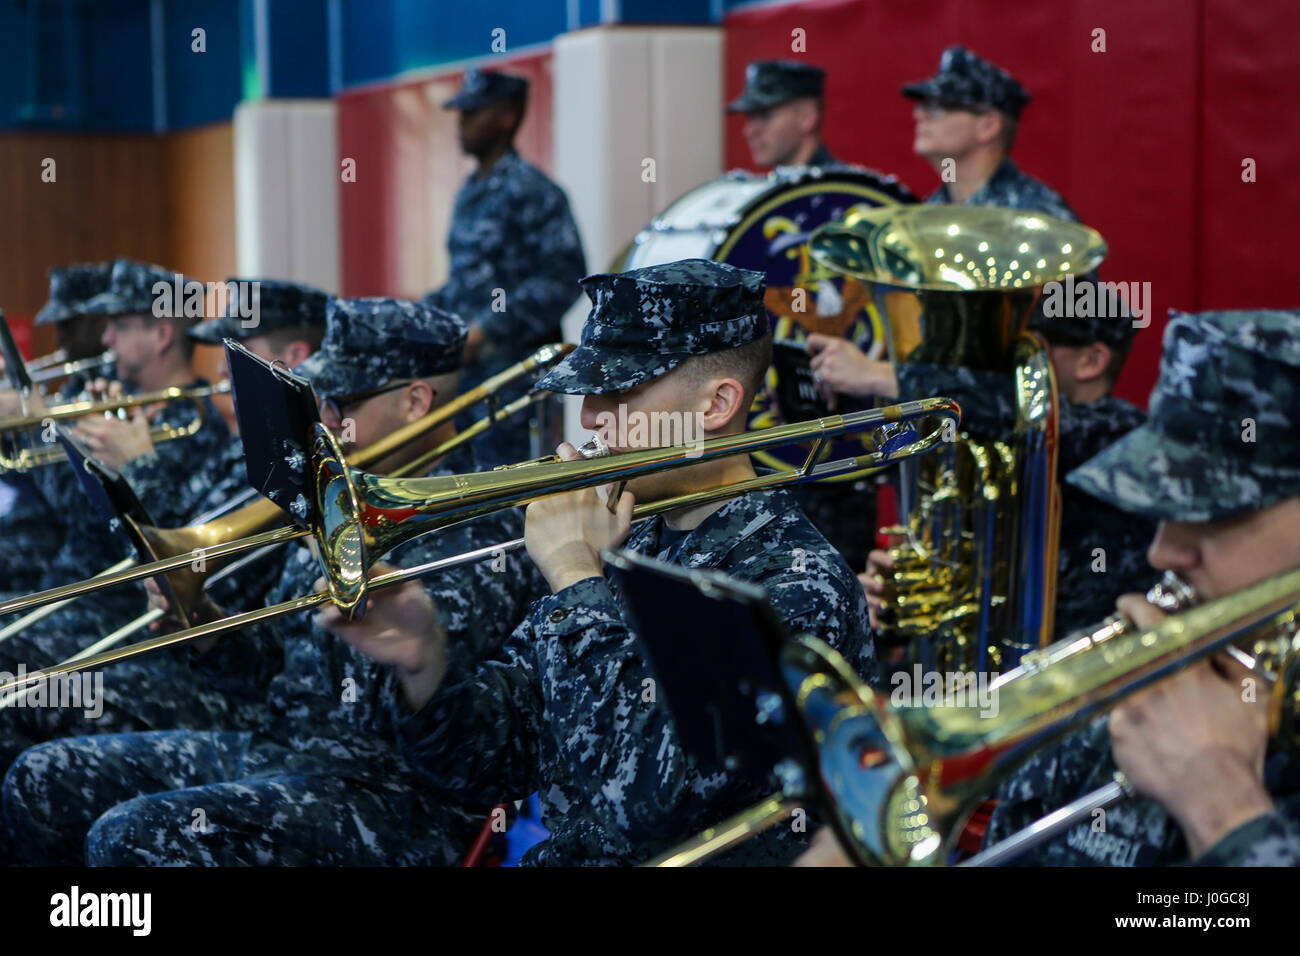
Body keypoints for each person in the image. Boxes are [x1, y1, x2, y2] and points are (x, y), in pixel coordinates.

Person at [320, 259, 873, 866]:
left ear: (716, 404)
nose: (588, 420)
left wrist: (576, 578)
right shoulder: (626, 538)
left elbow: (649, 808)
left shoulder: (794, 584)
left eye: (620, 393)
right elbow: (494, 759)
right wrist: (425, 666)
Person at [2, 297, 546, 866]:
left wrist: (331, 559)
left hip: (390, 795)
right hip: (287, 747)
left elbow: (410, 718)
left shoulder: (478, 526)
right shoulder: (345, 485)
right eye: (319, 402)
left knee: (129, 835)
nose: (325, 422)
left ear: (416, 402)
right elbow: (277, 670)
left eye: (341, 403)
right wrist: (211, 628)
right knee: (40, 781)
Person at [797, 308, 1300, 867]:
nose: (1163, 553)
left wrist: (1222, 809)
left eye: (1216, 516)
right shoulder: (1136, 693)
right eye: (1163, 510)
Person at [808, 279, 1154, 641]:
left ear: (1092, 361)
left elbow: (1024, 414)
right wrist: (908, 596)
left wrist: (883, 376)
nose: (1003, 369)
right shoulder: (998, 434)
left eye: (1039, 346)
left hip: (1078, 664)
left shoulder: (1121, 433)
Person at [425, 67, 587, 468]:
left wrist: (488, 328)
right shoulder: (471, 190)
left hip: (515, 384)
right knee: (462, 487)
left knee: (510, 493)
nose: (461, 122)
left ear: (507, 116)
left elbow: (563, 277)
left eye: (473, 112)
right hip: (465, 379)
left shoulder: (533, 191)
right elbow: (466, 278)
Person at [0, 262, 114, 594]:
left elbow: (81, 506)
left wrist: (35, 422)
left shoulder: (116, 397)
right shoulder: (76, 388)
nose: (59, 337)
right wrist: (11, 435)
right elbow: (24, 474)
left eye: (68, 324)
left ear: (100, 320)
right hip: (39, 542)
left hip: (83, 576)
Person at [903, 46, 1076, 221]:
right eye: (922, 106)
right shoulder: (930, 213)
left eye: (937, 108)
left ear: (988, 126)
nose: (919, 115)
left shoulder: (1037, 217)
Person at [727, 60, 835, 169]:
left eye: (765, 115)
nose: (749, 132)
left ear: (806, 117)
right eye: (749, 117)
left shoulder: (838, 184)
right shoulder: (778, 184)